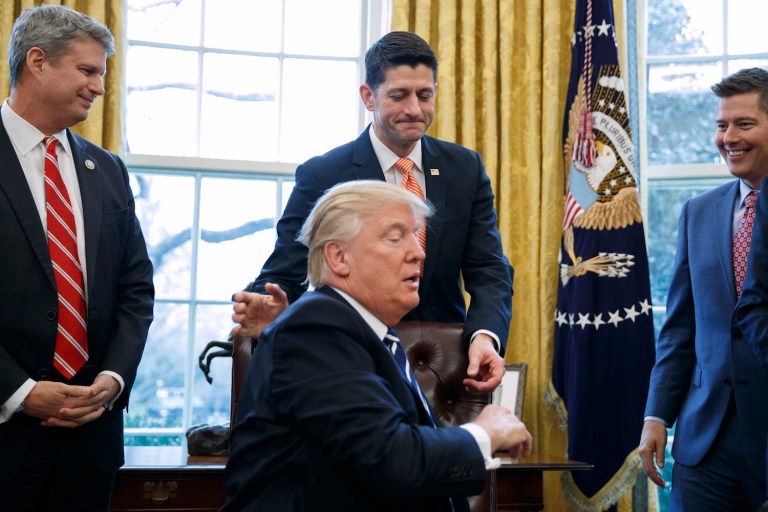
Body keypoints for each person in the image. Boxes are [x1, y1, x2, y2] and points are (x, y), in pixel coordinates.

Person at [223, 180, 531, 512]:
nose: (418, 252)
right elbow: (393, 461)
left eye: (416, 235)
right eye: (395, 238)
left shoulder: (369, 335)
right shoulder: (315, 327)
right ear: (339, 257)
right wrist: (484, 433)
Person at [232, 31, 513, 393]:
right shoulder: (323, 174)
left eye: (425, 95)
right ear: (369, 96)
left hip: (443, 365)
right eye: (399, 95)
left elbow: (489, 268)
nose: (415, 109)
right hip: (348, 361)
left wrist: (485, 337)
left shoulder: (465, 169)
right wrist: (272, 304)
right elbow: (285, 272)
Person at [0, 5, 154, 510]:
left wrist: (113, 380)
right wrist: (19, 391)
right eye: (88, 71)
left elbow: (135, 290)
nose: (99, 87)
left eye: (102, 74)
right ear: (38, 61)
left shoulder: (107, 170)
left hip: (91, 442)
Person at [638, 67, 768, 511]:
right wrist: (657, 415)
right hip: (704, 442)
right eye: (721, 125)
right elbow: (679, 329)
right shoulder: (698, 212)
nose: (728, 137)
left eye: (744, 124)